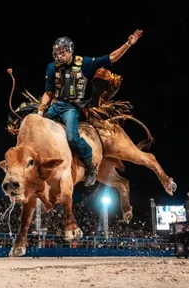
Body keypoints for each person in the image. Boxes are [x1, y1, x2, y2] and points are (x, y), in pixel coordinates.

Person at [38, 29, 143, 187]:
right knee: (32, 125)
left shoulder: (84, 63)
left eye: (63, 52)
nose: (60, 56)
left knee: (72, 137)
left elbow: (111, 57)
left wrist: (128, 44)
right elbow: (48, 92)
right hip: (56, 106)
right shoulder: (52, 68)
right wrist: (40, 112)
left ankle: (91, 165)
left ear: (70, 51)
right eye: (57, 53)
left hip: (71, 108)